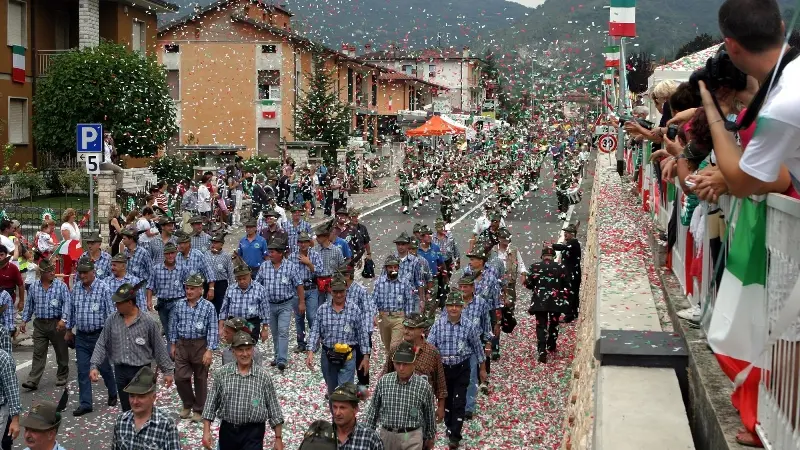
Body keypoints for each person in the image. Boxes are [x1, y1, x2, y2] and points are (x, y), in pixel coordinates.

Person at [90, 282, 175, 412]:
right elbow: (102, 343)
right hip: (121, 371)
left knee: (142, 408)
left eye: (119, 303)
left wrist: (167, 371)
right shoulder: (112, 320)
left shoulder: (148, 322)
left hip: (142, 371)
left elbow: (159, 348)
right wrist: (94, 365)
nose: (116, 305)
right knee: (127, 409)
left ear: (130, 303)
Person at [202, 332, 285, 450]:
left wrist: (278, 438)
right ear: (233, 351)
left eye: (248, 349)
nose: (245, 354)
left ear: (253, 350)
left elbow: (274, 408)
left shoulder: (263, 376)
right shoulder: (222, 374)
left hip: (253, 432)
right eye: (240, 350)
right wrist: (206, 431)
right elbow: (211, 404)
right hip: (228, 431)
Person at [427, 291, 486, 449]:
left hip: (462, 367)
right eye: (450, 305)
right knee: (446, 399)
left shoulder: (468, 325)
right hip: (444, 369)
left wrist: (482, 368)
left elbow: (477, 347)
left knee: (459, 401)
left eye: (457, 306)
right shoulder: (438, 325)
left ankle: (455, 435)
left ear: (462, 307)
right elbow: (430, 346)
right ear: (446, 307)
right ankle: (449, 426)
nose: (454, 308)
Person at [60, 257, 118, 415]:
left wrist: (110, 336)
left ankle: (113, 392)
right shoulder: (76, 289)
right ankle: (86, 403)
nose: (82, 275)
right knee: (82, 370)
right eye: (80, 272)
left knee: (104, 368)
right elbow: (71, 311)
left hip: (99, 336)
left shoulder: (103, 288)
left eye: (85, 272)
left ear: (93, 272)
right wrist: (68, 330)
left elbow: (110, 314)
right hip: (81, 337)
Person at [364, 341, 436, 450]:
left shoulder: (423, 386)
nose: (401, 368)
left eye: (405, 364)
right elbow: (373, 409)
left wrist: (430, 437)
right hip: (387, 434)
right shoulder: (384, 382)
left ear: (414, 363)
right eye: (398, 363)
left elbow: (429, 414)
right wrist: (368, 433)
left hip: (412, 435)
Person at [305, 276, 370, 396]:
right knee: (332, 392)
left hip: (348, 356)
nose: (339, 295)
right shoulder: (322, 310)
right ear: (330, 290)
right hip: (328, 355)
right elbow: (315, 331)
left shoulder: (354, 309)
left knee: (344, 393)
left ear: (346, 290)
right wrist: (310, 352)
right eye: (336, 291)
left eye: (341, 291)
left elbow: (362, 334)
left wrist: (366, 357)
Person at [169, 274, 219, 422]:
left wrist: (209, 350)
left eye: (192, 289)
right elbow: (173, 325)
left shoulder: (208, 307)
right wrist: (173, 344)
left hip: (200, 345)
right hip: (182, 344)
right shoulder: (179, 305)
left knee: (200, 378)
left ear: (200, 290)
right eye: (187, 288)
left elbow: (213, 329)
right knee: (180, 377)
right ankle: (188, 402)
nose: (189, 291)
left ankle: (199, 409)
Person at [383, 313, 446, 424]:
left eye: (411, 329)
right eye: (405, 327)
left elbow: (440, 383)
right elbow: (385, 377)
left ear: (421, 330)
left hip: (423, 408)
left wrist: (441, 407)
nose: (406, 331)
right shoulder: (395, 350)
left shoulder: (432, 352)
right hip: (398, 407)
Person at [19, 259, 70, 392]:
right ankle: (33, 380)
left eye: (53, 270)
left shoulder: (61, 286)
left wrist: (63, 320)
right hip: (40, 324)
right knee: (38, 352)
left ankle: (62, 375)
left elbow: (67, 304)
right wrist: (24, 320)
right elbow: (29, 305)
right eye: (49, 271)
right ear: (41, 273)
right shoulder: (34, 287)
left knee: (61, 351)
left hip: (56, 323)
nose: (52, 273)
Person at [255, 238, 304, 372]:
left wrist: (301, 302)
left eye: (272, 252)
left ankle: (282, 359)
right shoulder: (264, 266)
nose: (269, 254)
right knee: (275, 332)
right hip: (269, 305)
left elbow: (299, 285)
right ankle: (277, 356)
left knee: (283, 331)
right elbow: (257, 284)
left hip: (285, 304)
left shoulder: (290, 266)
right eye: (269, 251)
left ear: (280, 253)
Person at [111, 366, 181, 450]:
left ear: (153, 397)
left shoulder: (166, 424)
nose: (135, 401)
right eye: (132, 396)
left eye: (141, 396)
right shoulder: (121, 421)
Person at [454, 275, 492, 419]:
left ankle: (468, 407)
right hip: (455, 345)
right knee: (455, 375)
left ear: (472, 288)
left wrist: (488, 342)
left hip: (473, 345)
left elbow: (486, 324)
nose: (463, 289)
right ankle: (456, 404)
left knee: (471, 377)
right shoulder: (454, 302)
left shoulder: (481, 303)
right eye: (461, 287)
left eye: (466, 287)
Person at [524, 246, 569, 363]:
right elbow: (567, 285)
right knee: (554, 323)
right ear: (553, 256)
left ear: (542, 256)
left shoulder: (534, 267)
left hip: (540, 301)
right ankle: (551, 344)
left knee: (541, 325)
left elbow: (529, 284)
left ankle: (542, 350)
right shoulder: (561, 267)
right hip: (555, 301)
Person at [340, 265, 374, 389]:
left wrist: (366, 332)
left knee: (361, 360)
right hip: (345, 332)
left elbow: (368, 311)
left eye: (341, 275)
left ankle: (363, 385)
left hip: (360, 332)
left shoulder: (360, 291)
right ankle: (344, 386)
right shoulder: (339, 290)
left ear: (348, 276)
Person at [371, 255, 415, 353]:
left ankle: (394, 361)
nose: (393, 269)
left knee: (394, 347)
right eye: (390, 267)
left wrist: (408, 319)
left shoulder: (404, 282)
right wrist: (373, 315)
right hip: (383, 318)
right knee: (387, 348)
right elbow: (373, 300)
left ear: (398, 268)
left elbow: (409, 301)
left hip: (399, 318)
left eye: (395, 267)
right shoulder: (379, 282)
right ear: (386, 268)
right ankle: (390, 363)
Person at [146, 242, 189, 341]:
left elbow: (187, 286)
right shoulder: (156, 269)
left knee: (172, 328)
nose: (170, 256)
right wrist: (149, 301)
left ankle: (173, 347)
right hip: (162, 303)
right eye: (168, 253)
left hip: (177, 302)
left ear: (176, 253)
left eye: (172, 253)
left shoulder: (182, 268)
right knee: (166, 328)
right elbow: (150, 285)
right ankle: (173, 347)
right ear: (164, 254)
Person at [219, 264, 270, 343]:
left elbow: (265, 311)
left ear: (250, 275)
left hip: (251, 323)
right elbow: (224, 309)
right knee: (234, 346)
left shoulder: (260, 289)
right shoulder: (230, 289)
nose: (242, 281)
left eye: (244, 278)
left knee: (249, 345)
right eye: (239, 279)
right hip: (233, 323)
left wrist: (265, 329)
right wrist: (221, 327)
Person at [328, 382, 384, 450]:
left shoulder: (370, 438)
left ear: (355, 409)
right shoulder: (323, 436)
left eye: (342, 408)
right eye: (335, 407)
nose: (337, 413)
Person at [293, 231, 323, 353]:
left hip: (311, 288)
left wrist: (309, 263)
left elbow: (320, 271)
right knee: (299, 318)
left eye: (305, 242)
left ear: (309, 243)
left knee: (311, 316)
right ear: (297, 243)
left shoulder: (315, 255)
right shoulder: (293, 256)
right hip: (297, 290)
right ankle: (301, 343)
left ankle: (314, 342)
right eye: (301, 242)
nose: (303, 244)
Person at [552, 224, 582, 323]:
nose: (565, 234)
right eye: (565, 232)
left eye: (567, 233)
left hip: (572, 274)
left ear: (572, 234)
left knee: (569, 294)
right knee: (573, 294)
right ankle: (574, 313)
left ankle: (569, 316)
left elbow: (562, 247)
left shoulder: (573, 243)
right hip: (571, 274)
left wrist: (552, 246)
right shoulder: (571, 243)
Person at [314, 221, 345, 303]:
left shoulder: (336, 251)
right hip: (318, 283)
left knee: (331, 304)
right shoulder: (314, 250)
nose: (316, 238)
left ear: (326, 236)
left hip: (332, 283)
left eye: (319, 236)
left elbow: (342, 268)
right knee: (319, 306)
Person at [208, 234, 235, 314]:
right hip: (208, 284)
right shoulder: (206, 254)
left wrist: (232, 289)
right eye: (212, 242)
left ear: (221, 244)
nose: (213, 245)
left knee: (220, 307)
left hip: (221, 284)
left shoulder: (226, 256)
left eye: (216, 243)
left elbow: (231, 273)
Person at [0, 246, 24, 313]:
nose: (0, 257)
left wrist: (21, 301)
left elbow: (21, 285)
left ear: (6, 255)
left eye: (1, 255)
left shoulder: (13, 268)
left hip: (9, 301)